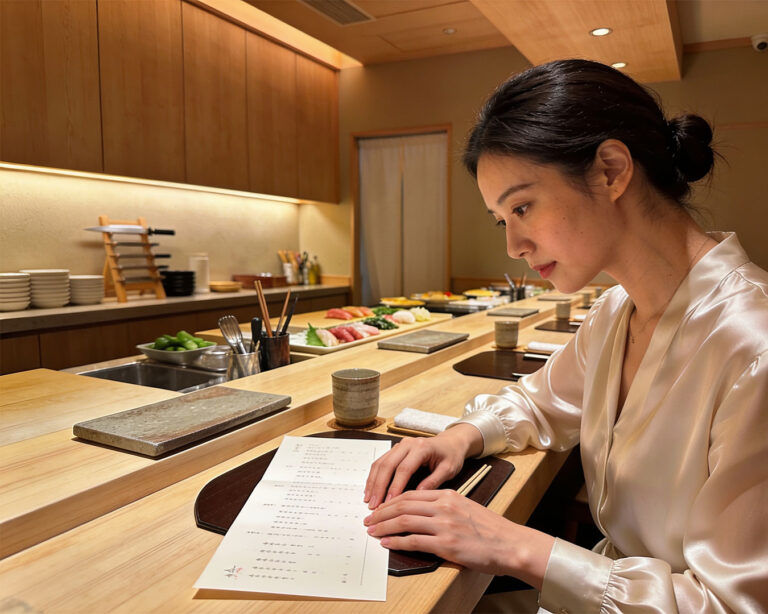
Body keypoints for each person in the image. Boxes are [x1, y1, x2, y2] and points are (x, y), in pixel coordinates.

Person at [363, 59, 768, 613]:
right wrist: (458, 437)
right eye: (502, 220)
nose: (514, 246)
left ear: (610, 169)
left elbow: (732, 604)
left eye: (523, 207)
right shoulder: (617, 310)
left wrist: (515, 545)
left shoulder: (754, 347)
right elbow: (541, 401)